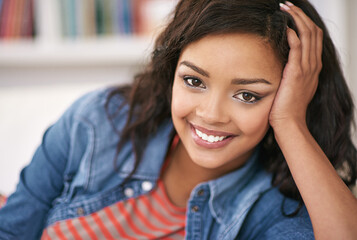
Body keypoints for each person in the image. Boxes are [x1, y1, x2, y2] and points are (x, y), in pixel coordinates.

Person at [0, 0, 356, 239]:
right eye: (194, 81)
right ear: (172, 71)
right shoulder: (96, 122)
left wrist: (291, 123)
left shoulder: (272, 210)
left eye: (248, 95)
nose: (211, 114)